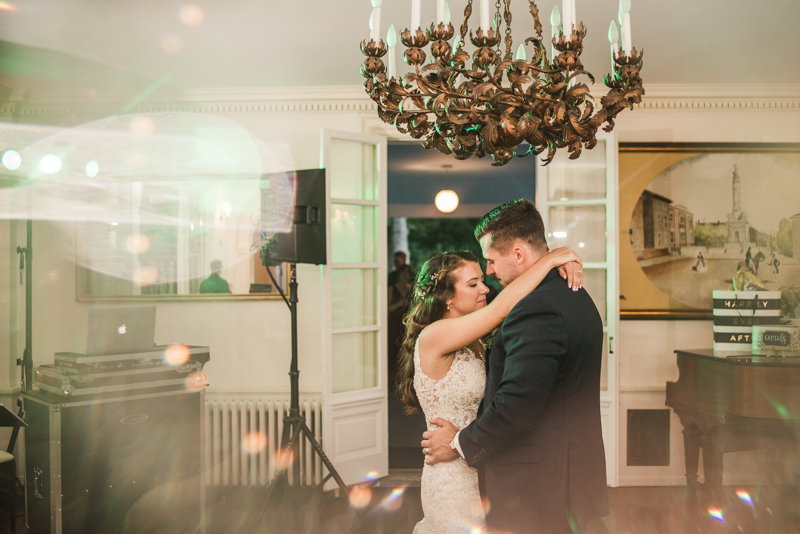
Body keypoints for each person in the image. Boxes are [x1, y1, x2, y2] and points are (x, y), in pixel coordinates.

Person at [421, 199, 610, 534]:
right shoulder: (571, 294)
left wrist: (458, 442)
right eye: (475, 280)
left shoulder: (537, 308)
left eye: (491, 262)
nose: (489, 275)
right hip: (565, 472)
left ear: (519, 254)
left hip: (538, 482)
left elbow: (516, 406)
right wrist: (554, 258)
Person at [396, 240, 584, 533]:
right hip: (451, 474)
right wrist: (549, 261)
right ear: (446, 297)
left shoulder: (475, 339)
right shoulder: (434, 336)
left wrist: (558, 268)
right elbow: (501, 309)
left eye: (483, 280)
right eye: (473, 284)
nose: (485, 288)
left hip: (478, 460)